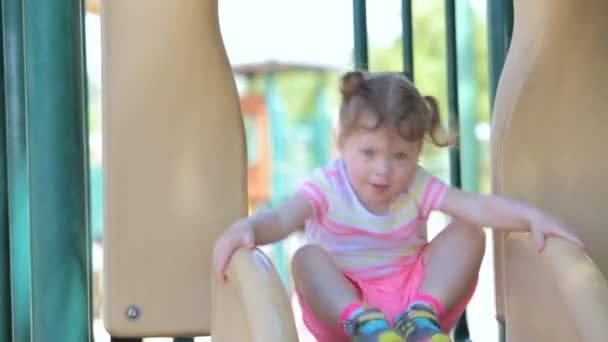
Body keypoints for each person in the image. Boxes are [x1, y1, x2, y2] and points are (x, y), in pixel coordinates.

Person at [212, 71, 585, 342]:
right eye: (369, 152)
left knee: (468, 233)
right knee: (306, 258)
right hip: (346, 303)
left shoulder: (415, 184)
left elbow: (475, 206)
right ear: (340, 143)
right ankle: (366, 327)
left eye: (400, 155)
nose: (383, 169)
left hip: (412, 298)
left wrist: (531, 216)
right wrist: (248, 229)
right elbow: (281, 218)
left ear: (418, 153)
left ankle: (421, 318)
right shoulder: (328, 186)